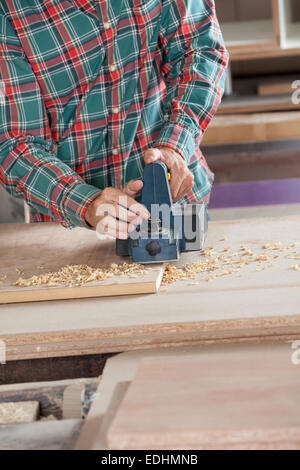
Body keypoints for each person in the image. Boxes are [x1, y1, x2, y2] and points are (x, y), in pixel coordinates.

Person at [0, 0, 228, 239]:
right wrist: (85, 203)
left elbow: (201, 50)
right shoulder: (9, 10)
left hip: (177, 204)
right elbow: (15, 145)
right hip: (72, 228)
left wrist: (175, 143)